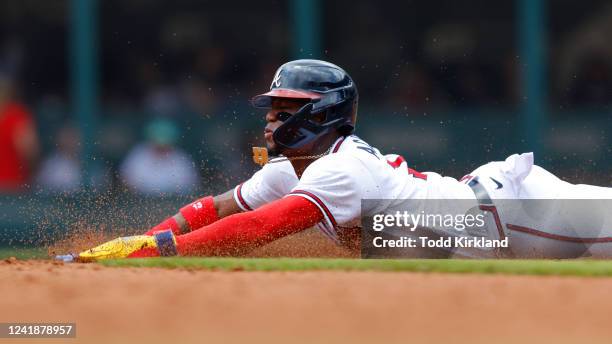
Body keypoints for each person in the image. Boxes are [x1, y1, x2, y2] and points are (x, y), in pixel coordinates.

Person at [60, 59, 612, 262]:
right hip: (486, 218)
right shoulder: (292, 167)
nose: (271, 120)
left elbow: (256, 228)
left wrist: (161, 251)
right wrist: (141, 239)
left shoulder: (337, 168)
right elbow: (213, 207)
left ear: (321, 114)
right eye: (273, 109)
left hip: (516, 216)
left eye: (284, 109)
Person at [119, 118, 200, 196]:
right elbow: (126, 182)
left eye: (165, 144)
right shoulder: (138, 154)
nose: (161, 147)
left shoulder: (181, 158)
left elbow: (189, 186)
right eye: (158, 143)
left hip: (173, 203)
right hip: (141, 202)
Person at [0, 71, 39, 192]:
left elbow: (29, 151)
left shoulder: (16, 116)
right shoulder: (17, 116)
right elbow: (30, 152)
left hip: (14, 188)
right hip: (14, 188)